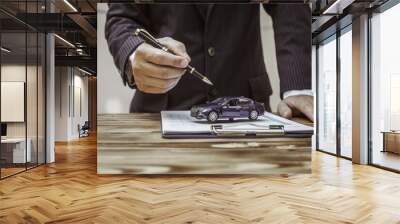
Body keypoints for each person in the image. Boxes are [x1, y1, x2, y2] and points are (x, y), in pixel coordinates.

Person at [105, 3, 314, 121]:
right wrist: (133, 52)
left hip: (247, 109)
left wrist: (298, 88)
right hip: (157, 111)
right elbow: (121, 17)